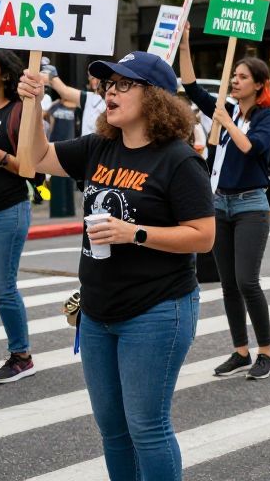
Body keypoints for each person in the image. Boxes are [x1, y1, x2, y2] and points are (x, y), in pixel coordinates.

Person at [17, 50, 214, 480]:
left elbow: (203, 235)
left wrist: (135, 233)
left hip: (157, 310)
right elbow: (35, 158)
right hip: (97, 311)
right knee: (112, 431)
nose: (111, 91)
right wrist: (31, 103)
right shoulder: (99, 147)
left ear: (156, 98)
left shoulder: (179, 160)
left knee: (147, 427)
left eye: (124, 84)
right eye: (109, 84)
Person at [179, 24, 270, 380]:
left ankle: (266, 351)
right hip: (218, 204)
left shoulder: (269, 116)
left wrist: (225, 121)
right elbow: (190, 86)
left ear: (258, 84)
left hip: (251, 204)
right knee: (227, 283)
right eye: (233, 76)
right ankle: (240, 350)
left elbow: (253, 149)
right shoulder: (227, 109)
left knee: (247, 281)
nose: (234, 81)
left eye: (242, 77)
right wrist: (186, 43)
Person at [0, 49, 35, 384]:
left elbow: (28, 168)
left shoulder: (19, 111)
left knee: (2, 286)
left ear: (4, 74)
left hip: (6, 209)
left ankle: (21, 356)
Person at [49, 67, 106, 136]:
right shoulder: (88, 97)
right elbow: (65, 92)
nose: (96, 81)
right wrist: (51, 76)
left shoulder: (108, 101)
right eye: (92, 77)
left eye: (98, 78)